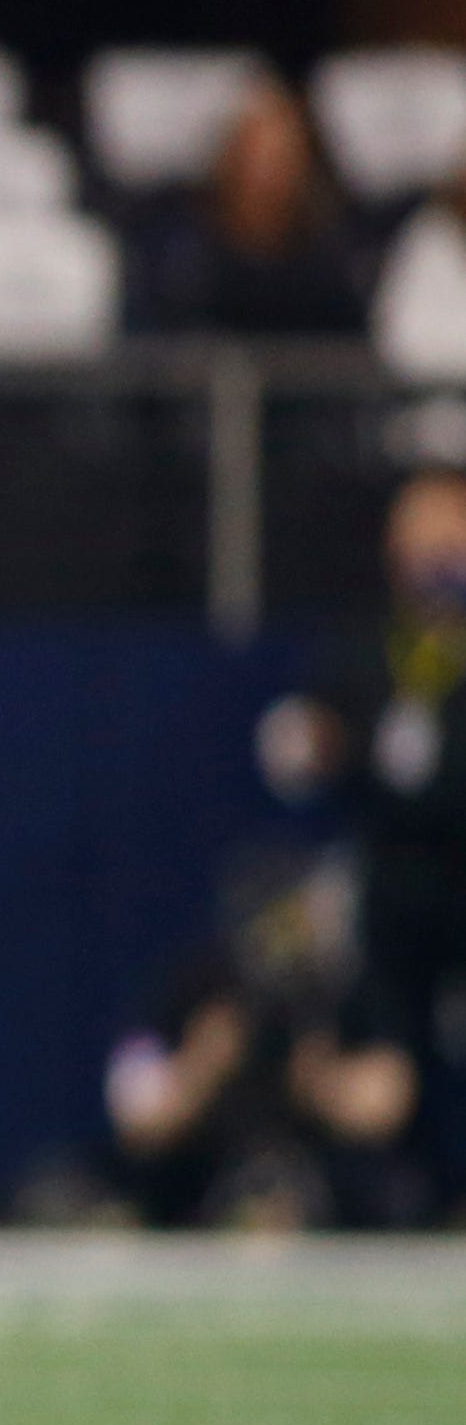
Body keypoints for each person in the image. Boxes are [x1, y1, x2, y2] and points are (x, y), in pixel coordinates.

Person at [260, 467, 466, 1122]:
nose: (435, 544)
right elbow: (307, 740)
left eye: (450, 525)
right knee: (386, 1061)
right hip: (394, 882)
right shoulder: (361, 642)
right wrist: (312, 743)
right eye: (419, 528)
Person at [105, 847, 423, 1227]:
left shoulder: (342, 991)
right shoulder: (201, 989)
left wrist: (323, 1083)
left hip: (324, 1177)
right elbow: (136, 1118)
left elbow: (389, 1104)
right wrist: (201, 1067)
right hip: (204, 1171)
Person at [127, 77, 370, 334]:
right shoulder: (180, 253)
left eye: (281, 160)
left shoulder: (329, 263)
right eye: (256, 157)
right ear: (230, 159)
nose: (266, 174)